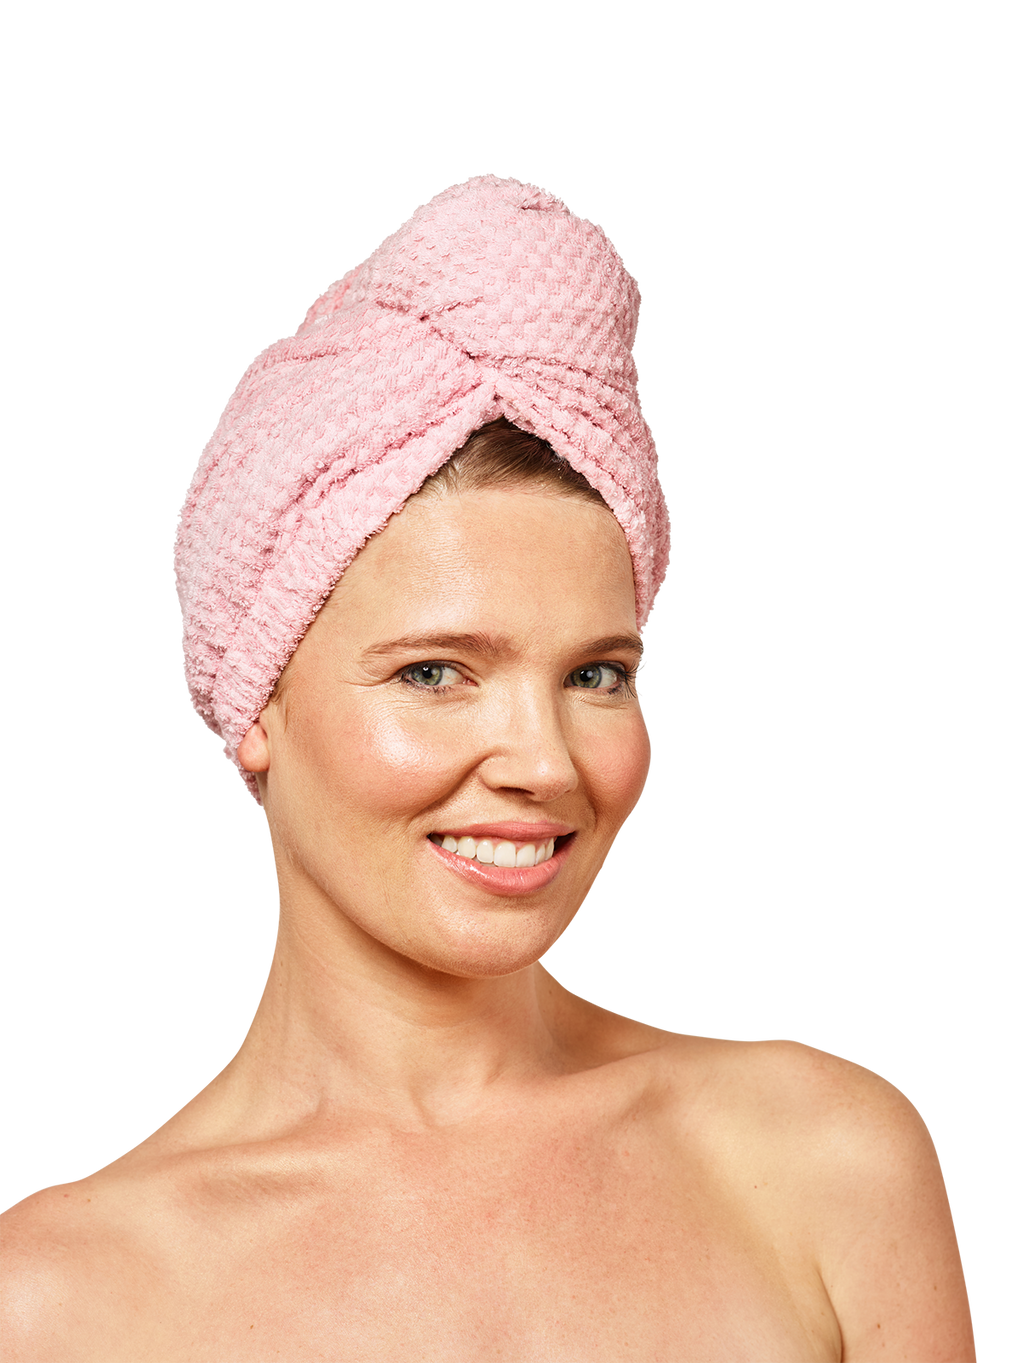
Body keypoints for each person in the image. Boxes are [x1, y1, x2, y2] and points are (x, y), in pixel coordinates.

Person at [1, 174, 975, 1361]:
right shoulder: (51, 1299)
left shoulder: (827, 1160)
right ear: (256, 704)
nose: (544, 762)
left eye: (597, 674)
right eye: (434, 672)